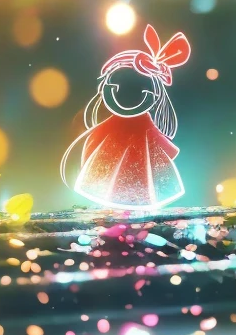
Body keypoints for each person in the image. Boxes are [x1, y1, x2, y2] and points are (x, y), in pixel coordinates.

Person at [61, 24, 190, 210]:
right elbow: (95, 139)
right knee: (113, 192)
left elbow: (156, 138)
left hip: (142, 168)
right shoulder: (113, 124)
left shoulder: (144, 123)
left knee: (142, 186)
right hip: (109, 164)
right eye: (116, 86)